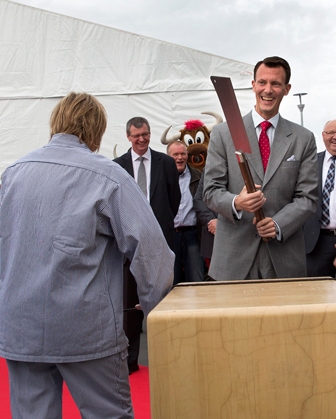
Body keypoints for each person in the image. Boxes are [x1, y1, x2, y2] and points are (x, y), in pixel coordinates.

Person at [0, 92, 174, 418]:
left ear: (56, 122)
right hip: (86, 328)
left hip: (21, 325)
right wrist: (159, 316)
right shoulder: (108, 175)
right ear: (97, 130)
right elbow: (151, 252)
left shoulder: (13, 173)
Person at [203, 56, 318, 281]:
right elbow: (211, 191)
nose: (268, 90)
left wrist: (278, 224)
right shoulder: (223, 134)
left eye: (276, 84)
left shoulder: (303, 138)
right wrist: (236, 203)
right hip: (233, 259)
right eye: (262, 82)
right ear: (253, 85)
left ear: (287, 89)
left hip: (283, 257)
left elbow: (308, 198)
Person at [114, 116, 180, 373]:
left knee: (163, 302)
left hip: (160, 242)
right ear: (128, 137)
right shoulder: (117, 166)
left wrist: (158, 225)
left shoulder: (166, 163)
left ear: (150, 134)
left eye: (145, 134)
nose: (141, 139)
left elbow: (174, 200)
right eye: (136, 136)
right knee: (130, 305)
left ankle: (167, 359)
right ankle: (130, 361)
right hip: (129, 245)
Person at [303, 120, 336, 285]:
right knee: (316, 292)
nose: (335, 137)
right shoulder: (310, 162)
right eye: (330, 133)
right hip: (316, 241)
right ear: (323, 136)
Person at [167, 140, 204, 284]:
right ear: (168, 156)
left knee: (196, 278)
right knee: (171, 280)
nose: (180, 158)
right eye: (175, 154)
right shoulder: (162, 177)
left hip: (193, 234)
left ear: (187, 155)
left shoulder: (198, 176)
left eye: (183, 154)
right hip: (170, 235)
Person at [193, 175, 218, 274]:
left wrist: (222, 223)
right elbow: (199, 199)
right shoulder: (208, 169)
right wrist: (211, 221)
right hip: (212, 239)